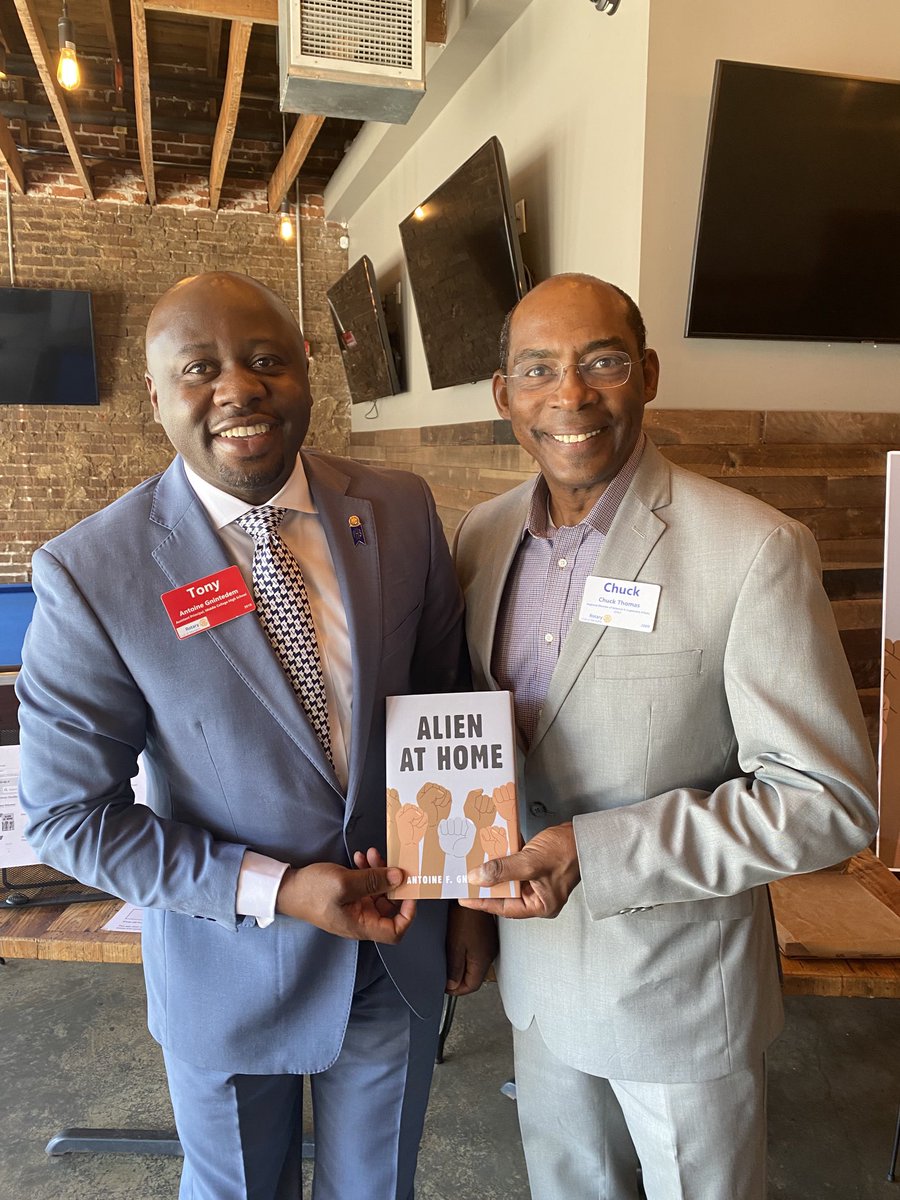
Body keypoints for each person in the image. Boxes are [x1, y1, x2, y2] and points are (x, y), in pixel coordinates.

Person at [17, 271, 494, 1200]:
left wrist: (465, 896)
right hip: (226, 970)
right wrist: (276, 889)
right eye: (200, 369)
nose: (239, 387)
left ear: (308, 370)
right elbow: (71, 819)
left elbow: (446, 701)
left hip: (396, 952)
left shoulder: (398, 510)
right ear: (156, 396)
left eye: (265, 359)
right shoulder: (91, 572)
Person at [453, 273, 878, 1200]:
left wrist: (596, 853)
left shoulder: (751, 548)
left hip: (681, 994)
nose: (570, 395)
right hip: (533, 981)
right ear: (503, 395)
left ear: (645, 373)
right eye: (538, 370)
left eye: (601, 362)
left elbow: (831, 803)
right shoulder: (480, 539)